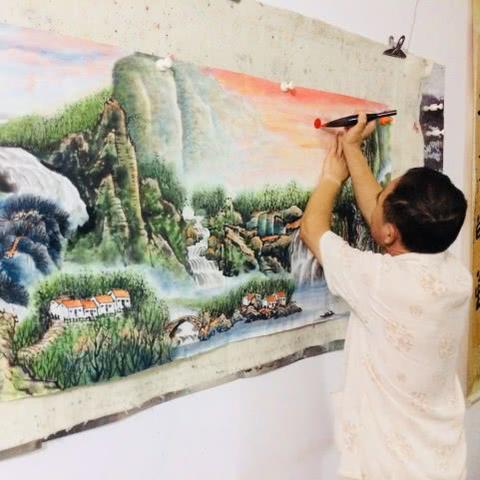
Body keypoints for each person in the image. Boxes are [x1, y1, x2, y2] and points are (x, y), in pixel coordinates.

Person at [300, 113, 472, 480]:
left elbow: (312, 229)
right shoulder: (455, 276)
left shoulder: (381, 282)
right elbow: (382, 223)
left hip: (392, 468)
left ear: (392, 233)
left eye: (382, 195)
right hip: (442, 461)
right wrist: (352, 149)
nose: (376, 197)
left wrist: (333, 177)